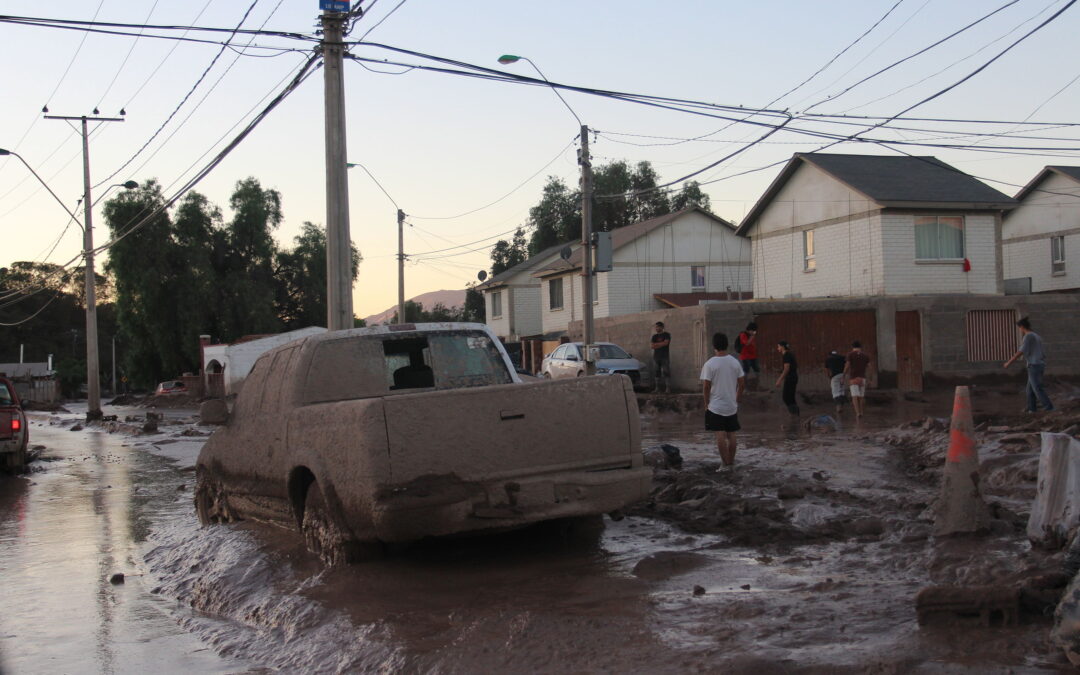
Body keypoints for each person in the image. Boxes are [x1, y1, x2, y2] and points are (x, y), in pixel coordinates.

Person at [700, 332, 745, 468]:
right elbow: (742, 384)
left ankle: (725, 463)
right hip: (731, 405)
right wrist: (736, 399)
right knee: (732, 434)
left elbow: (706, 387)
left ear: (714, 346)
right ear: (727, 345)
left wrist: (706, 403)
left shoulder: (710, 364)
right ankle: (731, 462)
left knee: (720, 434)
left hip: (716, 406)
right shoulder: (734, 362)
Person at [1004, 317, 1054, 413]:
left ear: (1022, 327)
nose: (1020, 330)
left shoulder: (1028, 336)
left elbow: (1021, 351)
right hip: (1039, 364)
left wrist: (1008, 362)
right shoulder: (1037, 336)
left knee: (1037, 388)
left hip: (1034, 365)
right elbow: (1042, 353)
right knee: (1029, 390)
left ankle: (1049, 407)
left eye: (1019, 328)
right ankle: (1032, 409)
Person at [844, 341, 871, 419]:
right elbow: (870, 368)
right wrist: (871, 379)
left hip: (853, 378)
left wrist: (843, 375)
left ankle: (857, 413)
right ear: (861, 347)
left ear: (852, 347)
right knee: (861, 396)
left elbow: (847, 366)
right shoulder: (865, 356)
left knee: (855, 396)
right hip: (862, 378)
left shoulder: (850, 355)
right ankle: (861, 411)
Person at [774, 341, 800, 420]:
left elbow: (787, 369)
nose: (777, 348)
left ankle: (794, 415)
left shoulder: (786, 355)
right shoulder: (789, 354)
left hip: (790, 378)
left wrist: (779, 380)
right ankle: (795, 415)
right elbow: (790, 367)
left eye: (778, 346)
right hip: (793, 377)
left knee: (786, 397)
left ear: (782, 347)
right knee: (790, 397)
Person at [650, 321, 671, 393]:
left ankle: (668, 389)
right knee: (657, 372)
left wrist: (656, 344)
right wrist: (661, 344)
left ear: (662, 327)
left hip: (665, 357)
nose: (657, 328)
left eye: (658, 326)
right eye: (656, 327)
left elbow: (666, 343)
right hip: (656, 357)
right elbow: (652, 346)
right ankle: (657, 388)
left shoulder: (666, 334)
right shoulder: (654, 336)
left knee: (666, 372)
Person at [823, 350, 846, 414]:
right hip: (842, 375)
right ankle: (841, 406)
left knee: (835, 392)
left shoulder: (828, 359)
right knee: (841, 391)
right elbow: (846, 365)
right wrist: (844, 375)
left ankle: (838, 407)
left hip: (834, 376)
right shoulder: (842, 357)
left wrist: (829, 377)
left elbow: (826, 369)